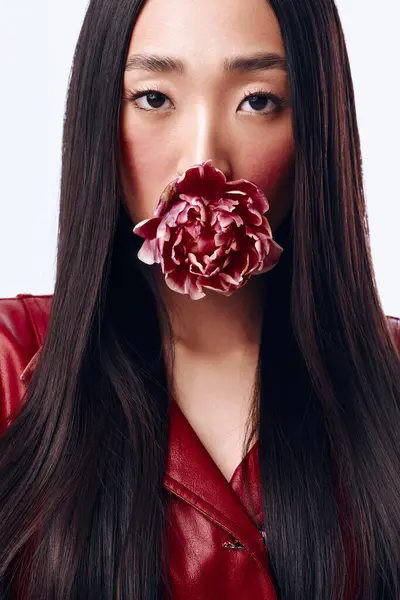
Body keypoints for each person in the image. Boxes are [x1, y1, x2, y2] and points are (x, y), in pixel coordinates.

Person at [0, 0, 399, 598]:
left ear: (316, 125)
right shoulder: (12, 362)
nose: (204, 160)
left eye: (258, 101)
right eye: (155, 98)